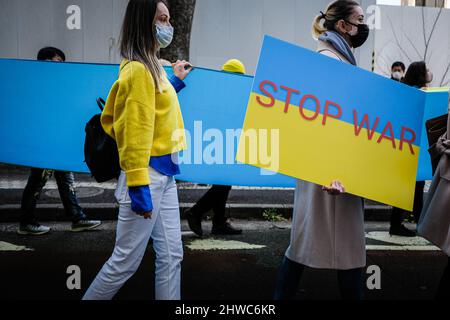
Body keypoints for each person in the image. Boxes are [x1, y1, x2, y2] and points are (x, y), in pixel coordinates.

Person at [83, 0, 192, 300]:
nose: (167, 27)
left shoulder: (151, 66)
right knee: (124, 262)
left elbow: (154, 106)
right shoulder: (139, 71)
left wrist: (175, 81)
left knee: (172, 256)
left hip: (163, 175)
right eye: (162, 19)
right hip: (147, 176)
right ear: (144, 22)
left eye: (168, 20)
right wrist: (138, 186)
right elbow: (135, 133)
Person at [274, 0, 370, 300]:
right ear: (342, 25)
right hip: (332, 175)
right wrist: (330, 171)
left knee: (308, 243)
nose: (364, 26)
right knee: (346, 250)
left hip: (329, 172)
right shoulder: (331, 61)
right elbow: (321, 125)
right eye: (360, 19)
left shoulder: (335, 58)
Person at [18, 47, 102, 236]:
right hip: (44, 144)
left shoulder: (55, 85)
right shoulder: (39, 86)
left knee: (65, 180)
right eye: (56, 62)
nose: (60, 66)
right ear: (45, 63)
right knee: (37, 182)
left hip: (56, 143)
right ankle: (26, 222)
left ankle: (77, 218)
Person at [184, 59, 246, 237]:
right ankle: (197, 212)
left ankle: (218, 222)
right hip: (221, 142)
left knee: (223, 183)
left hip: (218, 142)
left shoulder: (217, 91)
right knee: (224, 183)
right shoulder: (229, 94)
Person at [389, 61, 434, 237]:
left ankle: (403, 222)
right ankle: (411, 223)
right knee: (414, 185)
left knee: (411, 186)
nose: (429, 73)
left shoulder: (406, 92)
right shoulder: (420, 93)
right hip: (415, 147)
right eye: (426, 70)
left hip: (406, 146)